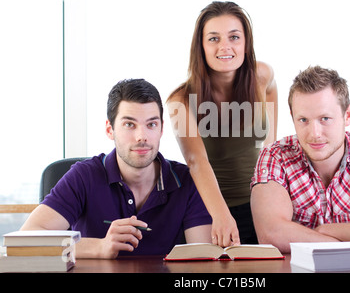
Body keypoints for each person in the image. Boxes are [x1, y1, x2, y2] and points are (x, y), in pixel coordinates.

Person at [21, 79, 212, 258]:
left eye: (151, 124)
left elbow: (203, 258)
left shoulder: (186, 180)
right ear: (109, 130)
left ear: (161, 129)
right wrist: (99, 247)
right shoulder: (83, 176)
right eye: (129, 124)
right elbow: (25, 241)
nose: (141, 136)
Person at [250, 66, 350, 253]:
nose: (314, 134)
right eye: (303, 120)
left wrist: (324, 230)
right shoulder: (275, 157)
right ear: (293, 118)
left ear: (348, 115)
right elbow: (272, 234)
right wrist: (344, 246)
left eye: (325, 119)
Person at [167, 1, 278, 247]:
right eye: (214, 38)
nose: (225, 46)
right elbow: (196, 161)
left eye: (234, 37)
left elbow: (270, 92)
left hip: (260, 205)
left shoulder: (262, 76)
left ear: (246, 44)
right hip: (209, 210)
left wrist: (268, 152)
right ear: (201, 46)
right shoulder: (180, 101)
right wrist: (221, 215)